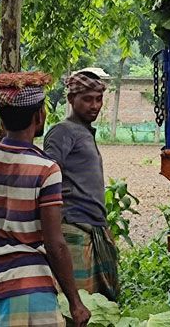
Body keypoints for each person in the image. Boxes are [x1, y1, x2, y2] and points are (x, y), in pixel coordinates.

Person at [0, 71, 91, 327]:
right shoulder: (45, 169)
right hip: (31, 295)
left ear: (1, 119)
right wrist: (75, 302)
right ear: (39, 116)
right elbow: (55, 243)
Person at [43, 70, 120, 302]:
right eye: (87, 99)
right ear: (70, 100)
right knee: (74, 304)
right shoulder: (62, 131)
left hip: (94, 228)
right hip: (73, 229)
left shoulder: (84, 132)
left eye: (98, 99)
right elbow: (47, 176)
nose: (94, 105)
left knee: (98, 304)